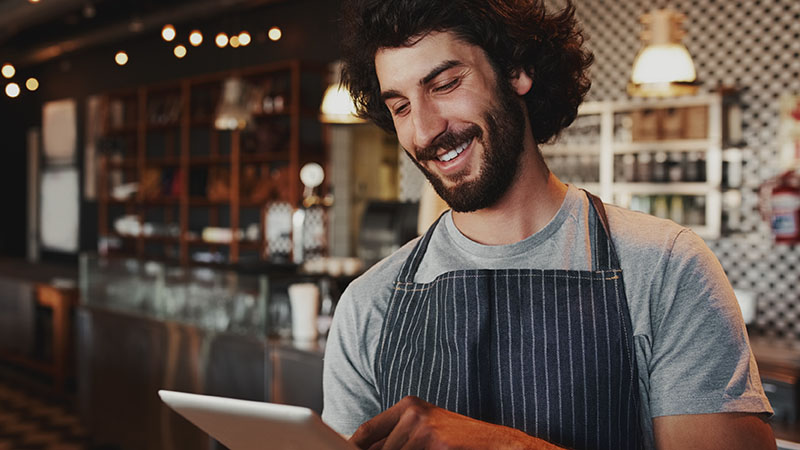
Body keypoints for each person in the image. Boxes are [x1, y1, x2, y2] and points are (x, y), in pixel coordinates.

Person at [322, 0, 776, 449]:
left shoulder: (666, 268)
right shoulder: (368, 306)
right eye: (400, 107)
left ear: (516, 70)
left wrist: (504, 446)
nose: (423, 131)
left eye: (444, 84)